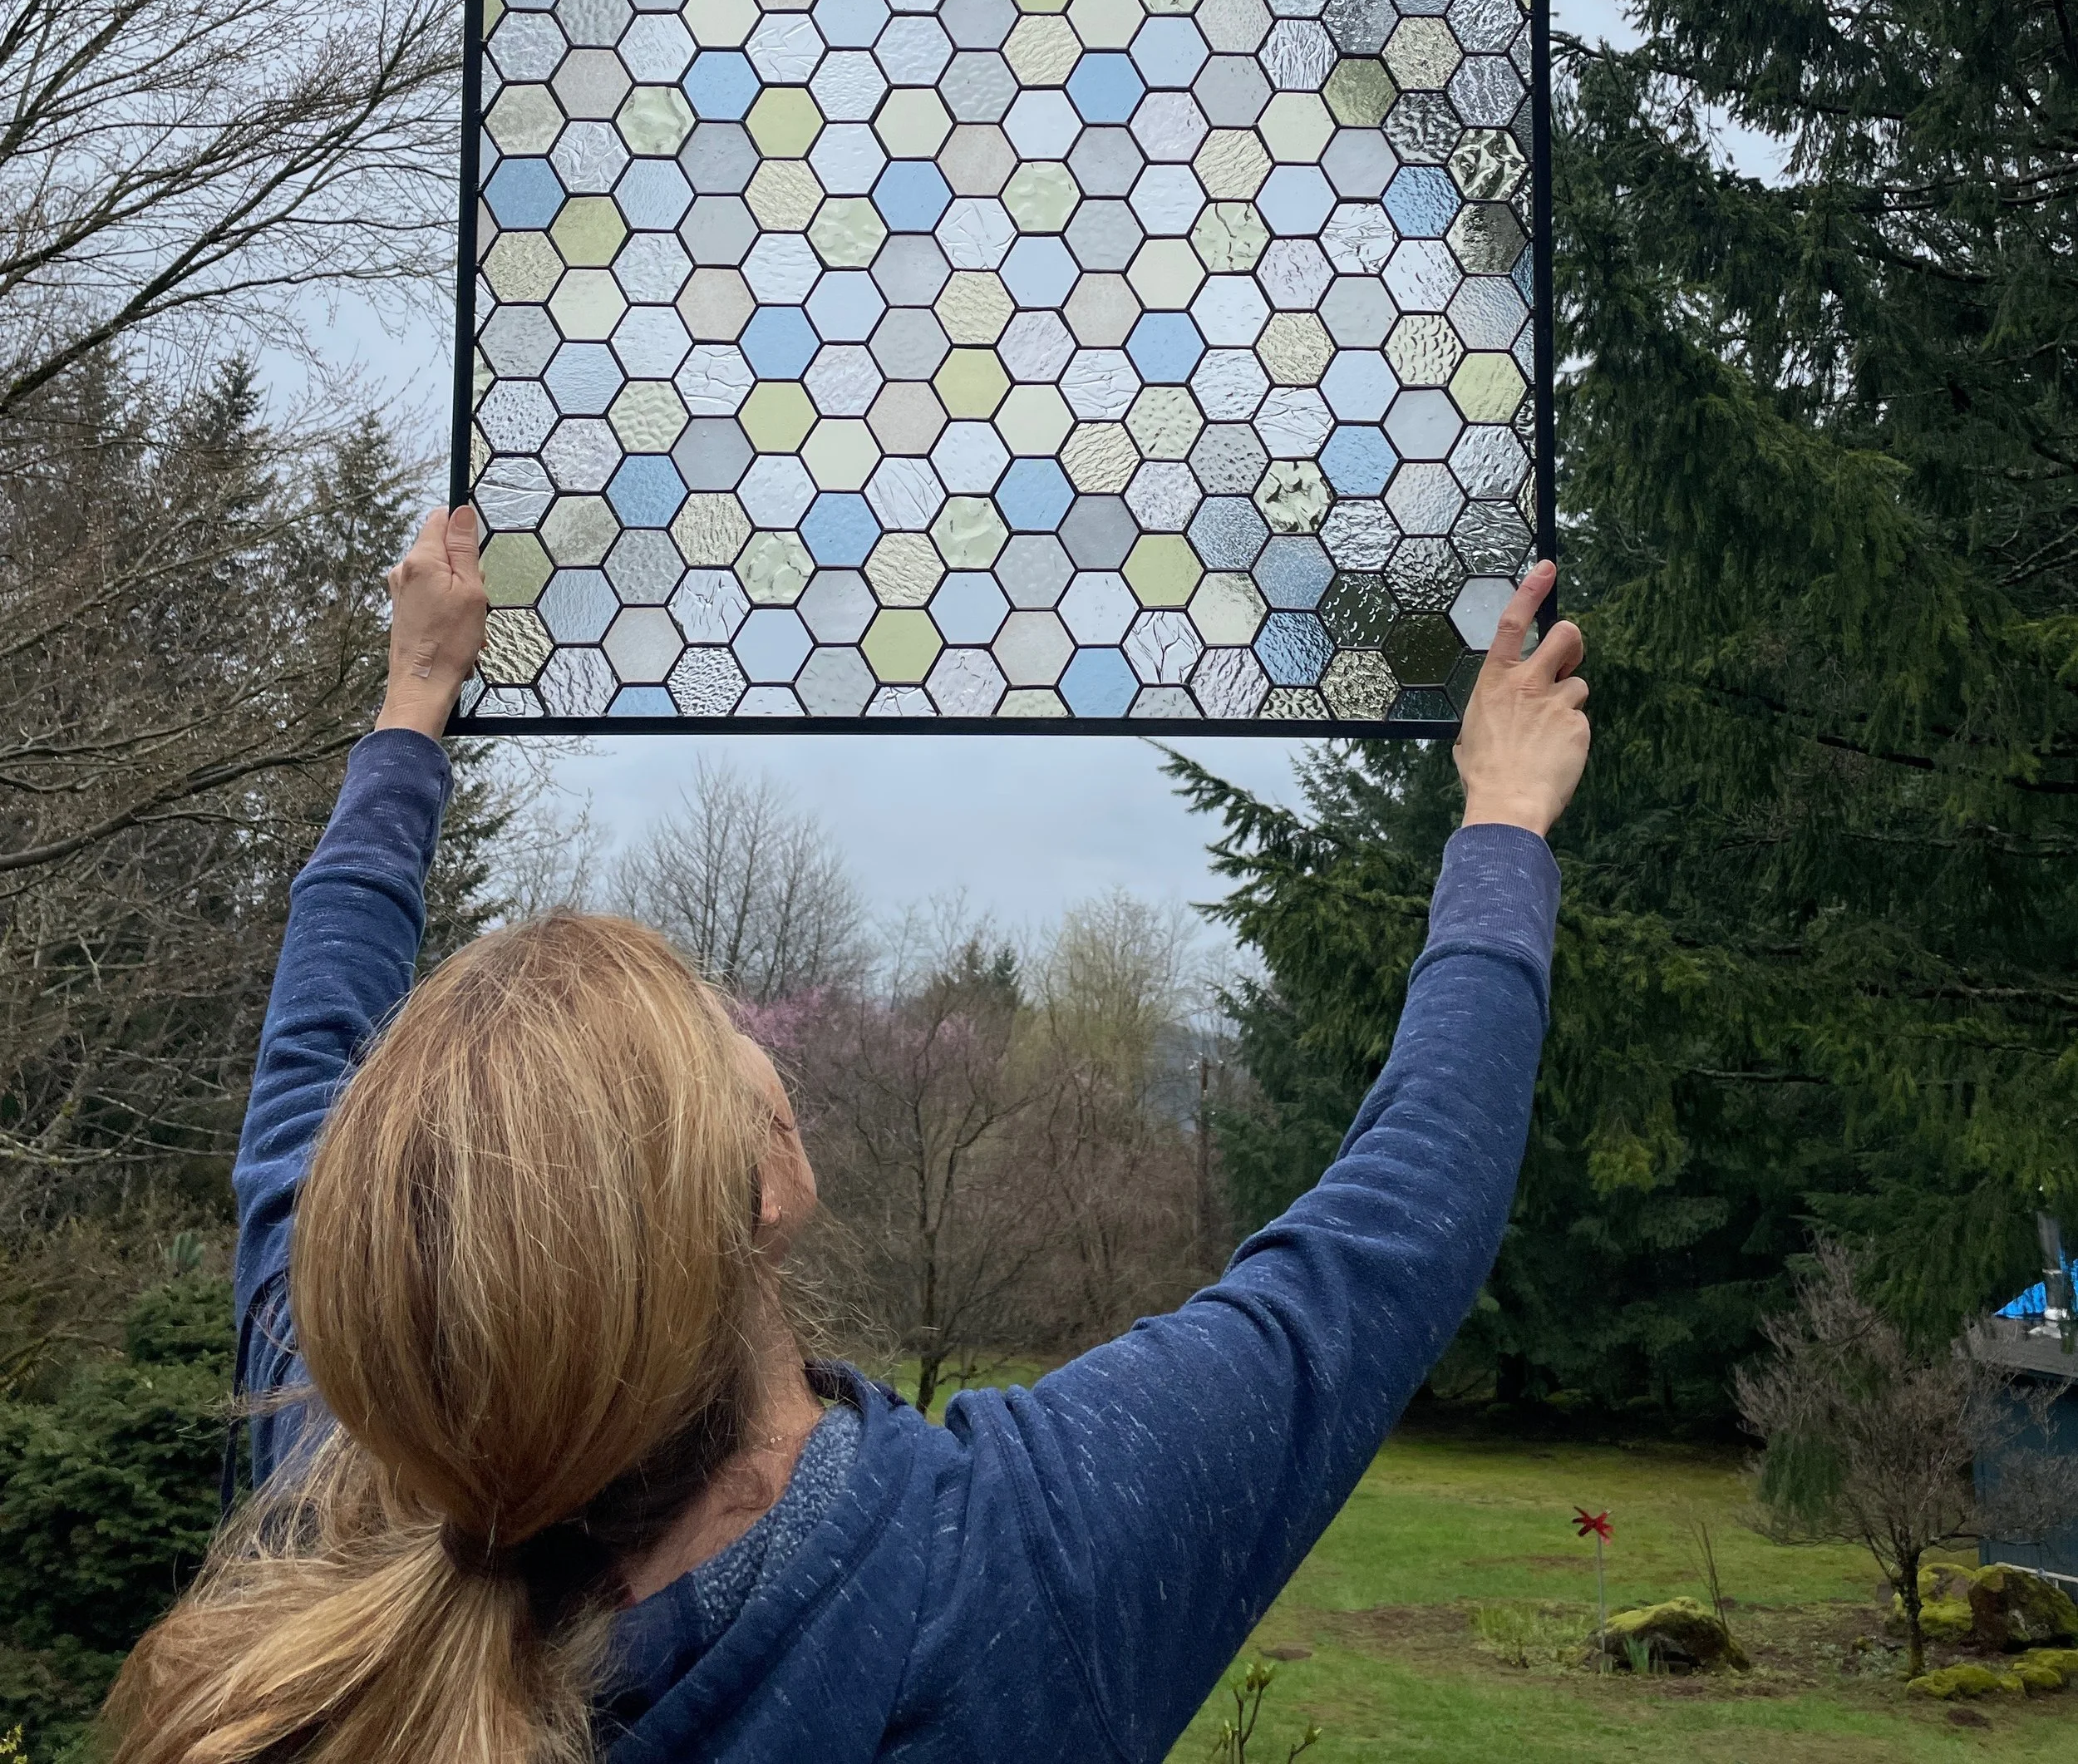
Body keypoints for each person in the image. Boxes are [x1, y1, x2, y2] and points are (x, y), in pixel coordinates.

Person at [109, 504, 1588, 1764]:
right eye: (719, 1030)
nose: (759, 1035)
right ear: (757, 1184)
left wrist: (410, 704)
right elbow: (1391, 1236)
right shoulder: (1004, 1581)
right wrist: (1506, 818)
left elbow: (309, 1071)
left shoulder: (345, 1457)